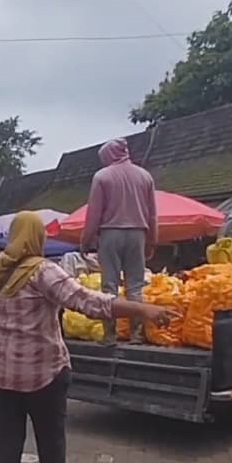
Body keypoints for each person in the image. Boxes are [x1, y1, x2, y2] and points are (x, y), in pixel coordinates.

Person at [0, 212, 171, 463]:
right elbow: (88, 302)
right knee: (50, 437)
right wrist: (141, 309)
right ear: (37, 237)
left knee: (6, 441)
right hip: (43, 373)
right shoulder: (43, 272)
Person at [81, 138, 157, 343]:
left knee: (109, 286)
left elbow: (94, 214)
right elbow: (152, 214)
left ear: (108, 156)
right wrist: (152, 241)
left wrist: (85, 240)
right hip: (138, 233)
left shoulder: (102, 176)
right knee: (135, 286)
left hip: (110, 234)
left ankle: (110, 335)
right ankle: (136, 334)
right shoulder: (145, 176)